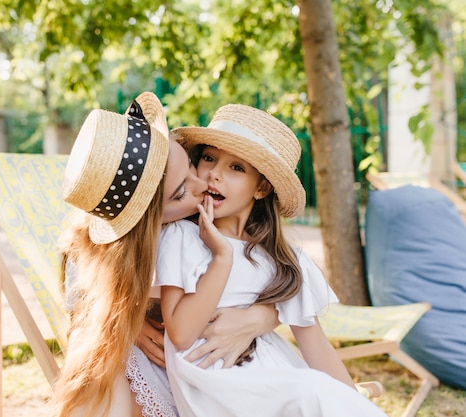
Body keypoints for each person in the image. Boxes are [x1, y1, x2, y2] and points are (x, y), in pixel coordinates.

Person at [155, 104, 389, 417]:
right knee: (313, 393)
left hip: (275, 378)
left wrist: (352, 402)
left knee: (324, 394)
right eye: (209, 158)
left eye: (236, 168)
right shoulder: (182, 237)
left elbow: (316, 347)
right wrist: (221, 258)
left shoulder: (286, 261)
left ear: (262, 187)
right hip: (218, 389)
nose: (214, 173)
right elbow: (181, 334)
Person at [53, 93, 278, 417]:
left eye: (189, 162)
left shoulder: (211, 220)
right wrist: (126, 324)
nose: (205, 181)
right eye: (181, 192)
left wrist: (262, 316)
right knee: (105, 369)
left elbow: (272, 281)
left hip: (213, 364)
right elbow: (86, 294)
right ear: (152, 219)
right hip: (155, 358)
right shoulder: (155, 236)